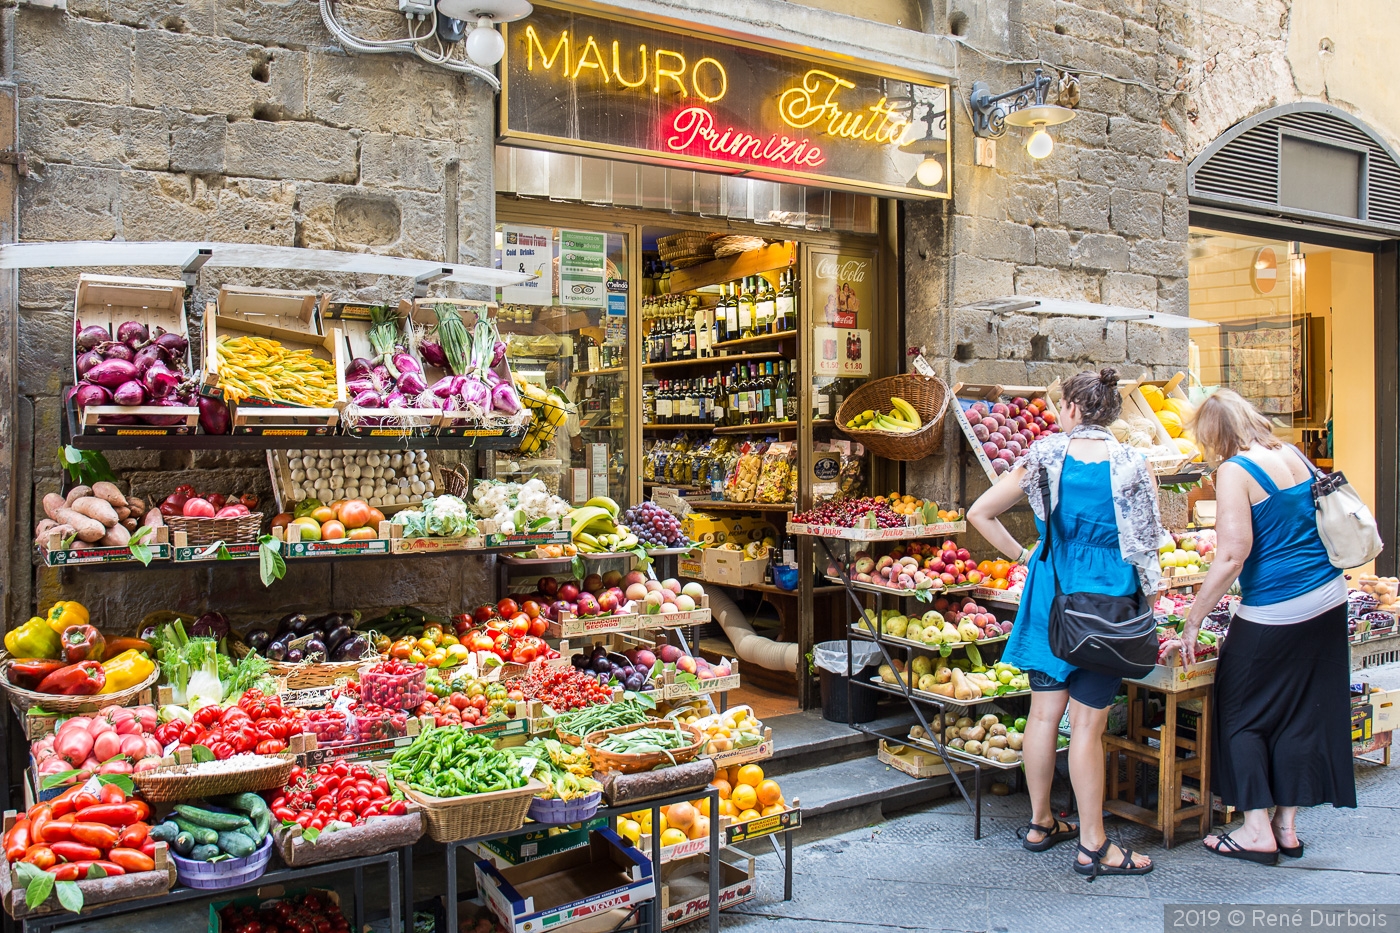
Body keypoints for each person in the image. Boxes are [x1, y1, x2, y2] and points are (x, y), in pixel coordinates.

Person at [968, 368, 1166, 880]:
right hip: (1108, 602)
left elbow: (980, 513)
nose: (1057, 414)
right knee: (1087, 724)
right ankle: (1094, 844)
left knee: (1042, 716)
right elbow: (1147, 542)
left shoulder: (1044, 456)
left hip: (1051, 595)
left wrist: (1024, 556)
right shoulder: (1133, 463)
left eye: (1061, 406)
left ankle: (1040, 823)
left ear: (1075, 409)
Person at [1181, 389, 1355, 865]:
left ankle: (1256, 830)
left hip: (1277, 606)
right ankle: (1287, 828)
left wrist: (1194, 618)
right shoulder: (1293, 453)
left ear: (1213, 434)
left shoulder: (1235, 470)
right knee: (1300, 713)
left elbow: (1233, 554)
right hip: (1329, 598)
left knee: (1239, 711)